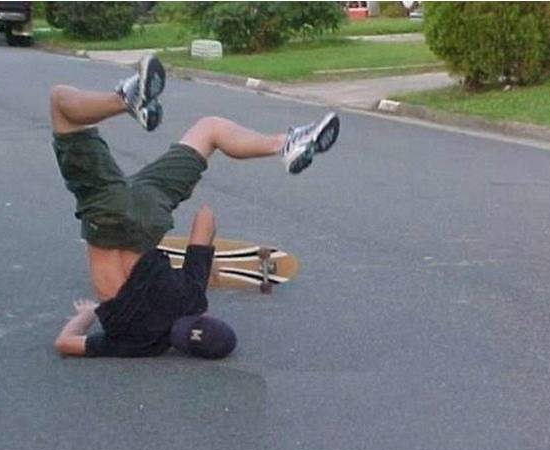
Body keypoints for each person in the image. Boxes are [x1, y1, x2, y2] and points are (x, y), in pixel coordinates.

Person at [50, 54, 340, 359]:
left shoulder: (192, 299)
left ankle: (286, 143)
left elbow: (205, 219)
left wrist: (200, 262)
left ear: (205, 319)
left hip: (151, 213)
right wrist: (87, 314)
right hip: (106, 216)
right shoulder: (135, 343)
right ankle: (126, 100)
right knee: (60, 105)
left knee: (209, 129)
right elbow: (65, 344)